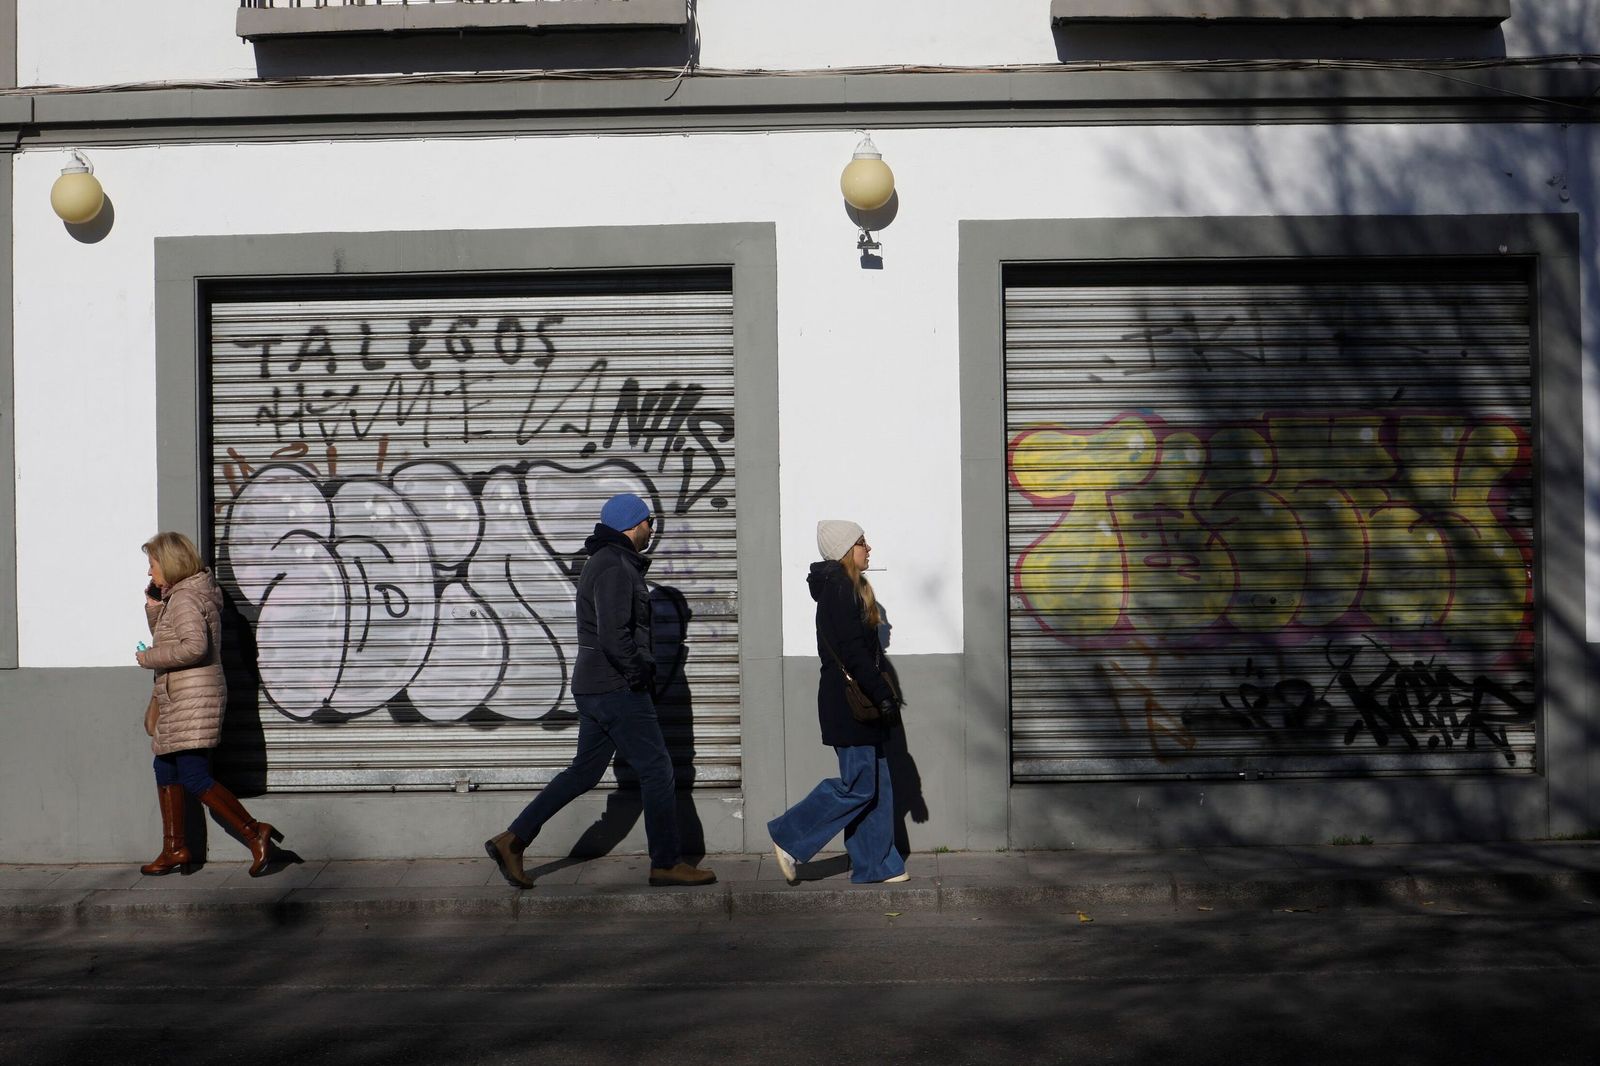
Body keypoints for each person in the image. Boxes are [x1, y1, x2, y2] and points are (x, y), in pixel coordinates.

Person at [484, 493, 717, 889]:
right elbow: (614, 635)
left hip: (597, 685)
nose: (652, 529)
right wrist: (639, 673)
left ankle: (513, 838)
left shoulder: (612, 563)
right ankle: (666, 862)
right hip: (616, 687)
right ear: (632, 524)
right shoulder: (613, 567)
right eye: (649, 522)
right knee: (658, 770)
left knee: (584, 772)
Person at [767, 520, 909, 885]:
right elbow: (854, 653)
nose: (869, 548)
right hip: (848, 702)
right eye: (862, 542)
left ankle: (876, 864)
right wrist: (881, 695)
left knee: (878, 783)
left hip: (859, 701)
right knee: (859, 784)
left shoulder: (851, 588)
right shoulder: (839, 591)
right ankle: (789, 835)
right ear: (847, 549)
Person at [135, 531, 283, 877]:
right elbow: (177, 635)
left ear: (169, 563)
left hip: (191, 696)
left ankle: (253, 831)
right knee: (165, 769)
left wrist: (148, 657)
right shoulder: (185, 596)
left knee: (194, 775)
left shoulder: (186, 598)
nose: (149, 572)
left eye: (152, 563)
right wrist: (156, 609)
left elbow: (193, 647)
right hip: (183, 694)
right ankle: (175, 848)